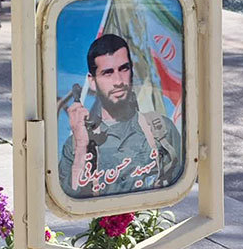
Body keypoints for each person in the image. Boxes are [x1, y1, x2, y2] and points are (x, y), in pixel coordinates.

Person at [58, 34, 182, 197]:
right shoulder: (74, 145)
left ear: (132, 71)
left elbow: (180, 193)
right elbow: (70, 202)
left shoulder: (161, 130)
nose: (118, 81)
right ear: (92, 81)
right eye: (107, 73)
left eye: (124, 69)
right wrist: (82, 146)